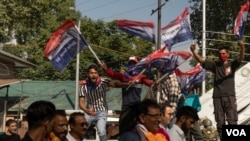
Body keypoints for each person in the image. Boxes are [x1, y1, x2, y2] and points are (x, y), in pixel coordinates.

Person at [190, 40, 245, 139]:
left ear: (228, 54)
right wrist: (194, 52)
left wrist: (242, 47)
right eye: (220, 54)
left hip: (229, 97)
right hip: (217, 97)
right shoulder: (215, 65)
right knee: (220, 123)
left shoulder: (232, 65)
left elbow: (241, 58)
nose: (221, 55)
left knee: (232, 121)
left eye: (224, 53)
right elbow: (202, 60)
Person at [99, 56, 155, 135]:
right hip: (126, 106)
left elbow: (150, 84)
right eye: (130, 63)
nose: (132, 65)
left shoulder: (141, 77)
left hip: (137, 106)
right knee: (123, 127)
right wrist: (105, 68)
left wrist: (155, 83)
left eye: (134, 63)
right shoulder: (123, 76)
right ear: (128, 65)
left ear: (137, 65)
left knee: (139, 128)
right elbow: (113, 74)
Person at [79, 64, 130, 141]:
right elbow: (81, 103)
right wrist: (86, 110)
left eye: (95, 73)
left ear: (98, 74)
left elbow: (114, 84)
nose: (94, 75)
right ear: (88, 74)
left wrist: (125, 85)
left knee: (101, 131)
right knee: (80, 130)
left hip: (101, 111)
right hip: (89, 112)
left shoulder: (103, 82)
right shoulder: (83, 86)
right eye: (91, 73)